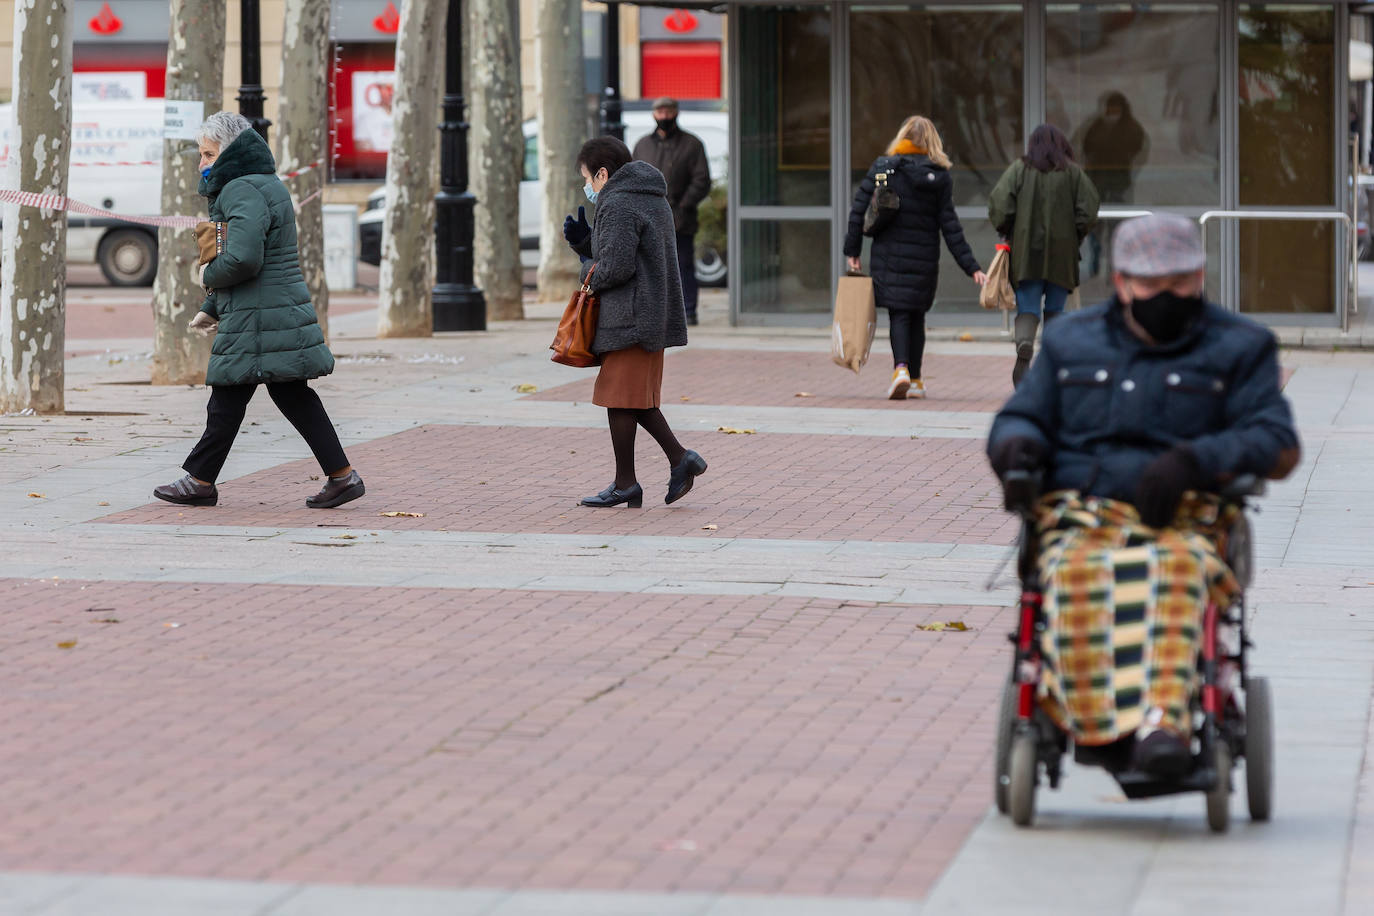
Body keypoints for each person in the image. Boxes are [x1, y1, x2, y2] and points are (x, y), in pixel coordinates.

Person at [986, 214, 1300, 777]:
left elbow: (1276, 441)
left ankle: (1161, 724)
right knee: (1074, 572)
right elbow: (1020, 418)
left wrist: (1194, 462)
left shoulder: (1240, 346)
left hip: (1186, 518)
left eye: (1179, 283)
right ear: (1123, 282)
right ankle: (1097, 723)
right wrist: (1018, 455)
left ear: (1199, 276)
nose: (1166, 295)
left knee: (1174, 571)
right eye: (1151, 285)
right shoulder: (1070, 343)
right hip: (1084, 512)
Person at [153, 112, 363, 510]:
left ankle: (199, 481)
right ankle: (342, 477)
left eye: (208, 154)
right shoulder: (265, 184)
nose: (202, 163)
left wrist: (205, 275)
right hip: (270, 311)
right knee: (290, 396)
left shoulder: (240, 189)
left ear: (230, 151)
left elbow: (244, 259)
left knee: (230, 398)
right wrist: (213, 306)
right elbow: (257, 259)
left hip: (260, 317)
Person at [561, 137, 706, 508]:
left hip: (631, 316)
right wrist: (586, 243)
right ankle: (657, 469)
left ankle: (659, 468)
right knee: (627, 401)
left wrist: (584, 268)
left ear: (603, 173)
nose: (588, 188)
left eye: (588, 180)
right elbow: (627, 251)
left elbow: (617, 267)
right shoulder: (647, 195)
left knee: (623, 398)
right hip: (647, 313)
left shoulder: (619, 202)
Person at [843, 115, 987, 400]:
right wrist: (971, 267)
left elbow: (859, 210)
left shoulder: (884, 168)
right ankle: (917, 379)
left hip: (888, 256)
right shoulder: (939, 177)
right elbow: (951, 226)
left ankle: (900, 369)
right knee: (917, 314)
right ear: (933, 142)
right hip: (924, 256)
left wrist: (853, 251)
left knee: (898, 313)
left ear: (902, 138)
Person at [988, 124, 1100, 385]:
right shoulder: (1072, 173)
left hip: (1026, 252)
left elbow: (999, 203)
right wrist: (1076, 234)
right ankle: (1050, 357)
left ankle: (1024, 347)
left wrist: (1008, 230)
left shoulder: (1019, 169)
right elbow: (1089, 208)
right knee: (1055, 310)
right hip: (1063, 253)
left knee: (1027, 306)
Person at [632, 97, 711, 326]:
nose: (664, 116)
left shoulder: (692, 144)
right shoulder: (642, 145)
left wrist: (684, 205)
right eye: (660, 111)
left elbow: (702, 180)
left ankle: (688, 311)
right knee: (650, 267)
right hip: (647, 218)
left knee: (682, 265)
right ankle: (655, 311)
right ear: (653, 114)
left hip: (681, 218)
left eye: (668, 111)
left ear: (676, 113)